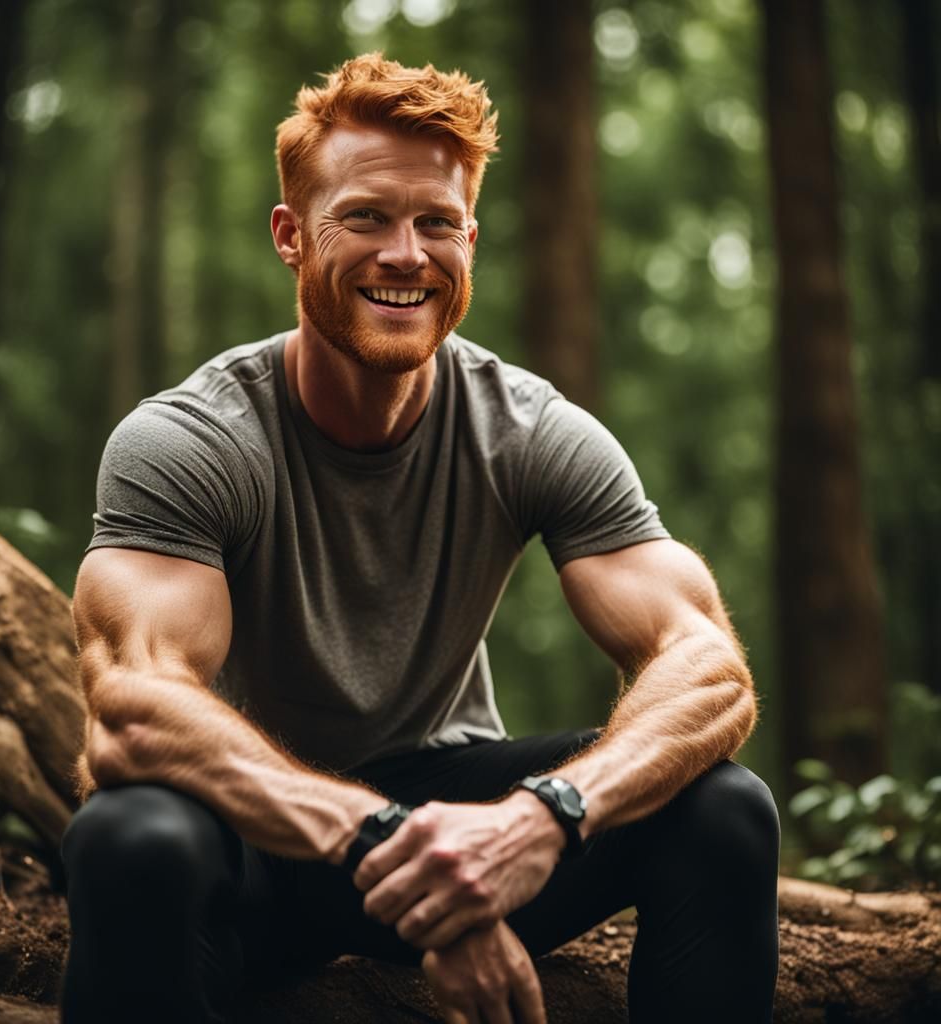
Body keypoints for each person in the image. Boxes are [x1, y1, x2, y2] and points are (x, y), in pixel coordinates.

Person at [60, 53, 780, 1024]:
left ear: (469, 242)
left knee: (723, 809)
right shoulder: (188, 441)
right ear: (290, 235)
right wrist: (383, 838)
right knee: (132, 832)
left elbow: (707, 669)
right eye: (363, 216)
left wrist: (539, 821)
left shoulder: (529, 429)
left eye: (436, 222)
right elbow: (135, 711)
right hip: (252, 841)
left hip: (459, 804)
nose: (406, 253)